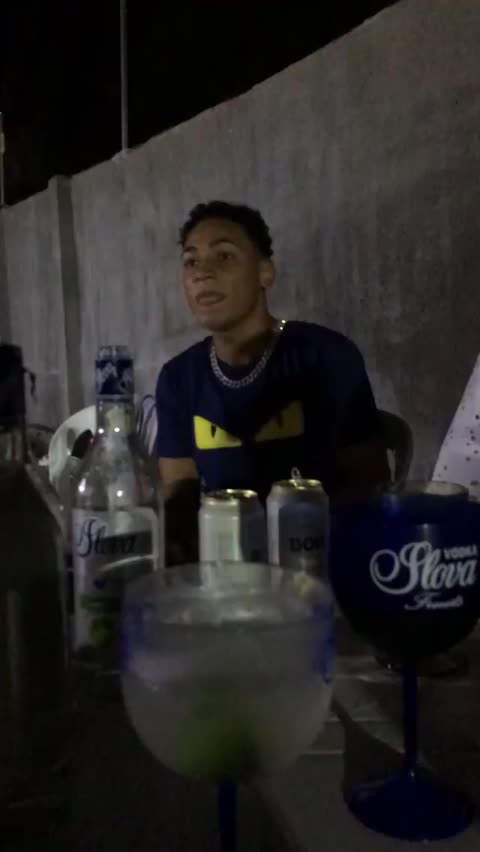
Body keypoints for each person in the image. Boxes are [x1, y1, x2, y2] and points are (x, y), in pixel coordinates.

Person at [156, 200, 389, 562]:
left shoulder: (325, 356)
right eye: (191, 262)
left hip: (321, 565)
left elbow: (369, 486)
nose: (202, 273)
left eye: (224, 256)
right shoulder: (177, 378)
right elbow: (179, 491)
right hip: (224, 570)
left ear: (265, 272)